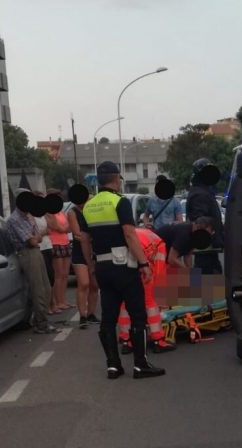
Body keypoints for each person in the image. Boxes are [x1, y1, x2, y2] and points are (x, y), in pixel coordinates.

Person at [82, 161, 165, 379]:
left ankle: (113, 365)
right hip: (124, 268)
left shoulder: (89, 206)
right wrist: (144, 264)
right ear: (116, 178)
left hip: (102, 266)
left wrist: (91, 265)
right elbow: (129, 234)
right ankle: (140, 364)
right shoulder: (119, 202)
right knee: (138, 316)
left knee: (108, 317)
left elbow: (85, 239)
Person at [118, 227, 176, 354]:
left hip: (120, 262)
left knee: (124, 303)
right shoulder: (160, 244)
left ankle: (126, 340)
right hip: (141, 263)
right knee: (151, 302)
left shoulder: (132, 233)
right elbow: (160, 273)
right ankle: (158, 340)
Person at [7, 192, 59, 334]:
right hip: (26, 252)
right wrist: (39, 235)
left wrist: (38, 236)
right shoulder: (15, 219)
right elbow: (31, 240)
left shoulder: (28, 216)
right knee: (38, 289)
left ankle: (39, 318)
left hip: (36, 251)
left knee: (46, 287)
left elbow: (37, 239)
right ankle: (41, 323)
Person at [68, 187, 100, 329]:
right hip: (79, 252)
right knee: (84, 283)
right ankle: (82, 315)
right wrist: (89, 237)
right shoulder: (72, 212)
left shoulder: (92, 210)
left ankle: (91, 314)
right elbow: (77, 234)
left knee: (94, 285)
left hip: (94, 251)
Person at [186, 158, 224, 274]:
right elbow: (201, 221)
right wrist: (216, 234)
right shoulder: (200, 195)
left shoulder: (202, 191)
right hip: (205, 249)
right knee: (209, 276)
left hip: (207, 248)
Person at [46, 189, 73, 314]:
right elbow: (55, 226)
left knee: (65, 274)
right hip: (55, 243)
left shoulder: (61, 211)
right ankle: (56, 301)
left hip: (65, 242)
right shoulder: (48, 212)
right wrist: (64, 228)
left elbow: (68, 227)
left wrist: (64, 228)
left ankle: (63, 300)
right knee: (58, 275)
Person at [33, 191, 55, 289]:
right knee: (45, 276)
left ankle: (53, 302)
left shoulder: (43, 214)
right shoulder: (31, 215)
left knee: (51, 275)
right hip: (39, 248)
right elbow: (34, 233)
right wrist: (43, 232)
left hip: (48, 246)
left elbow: (51, 228)